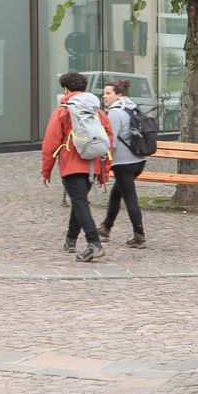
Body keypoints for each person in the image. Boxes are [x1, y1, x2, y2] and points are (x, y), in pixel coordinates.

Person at [41, 71, 113, 263]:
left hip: (71, 165)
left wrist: (46, 170)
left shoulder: (63, 111)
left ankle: (94, 244)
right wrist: (103, 172)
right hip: (93, 165)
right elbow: (108, 141)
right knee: (79, 201)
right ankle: (71, 239)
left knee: (79, 202)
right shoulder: (97, 112)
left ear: (65, 89)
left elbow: (50, 143)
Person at [98, 79, 146, 248]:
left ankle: (139, 235)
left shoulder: (115, 112)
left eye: (108, 93)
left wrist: (103, 159)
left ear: (119, 94)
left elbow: (111, 140)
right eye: (104, 93)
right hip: (139, 160)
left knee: (130, 198)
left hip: (123, 162)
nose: (104, 96)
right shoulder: (132, 107)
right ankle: (106, 227)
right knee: (116, 194)